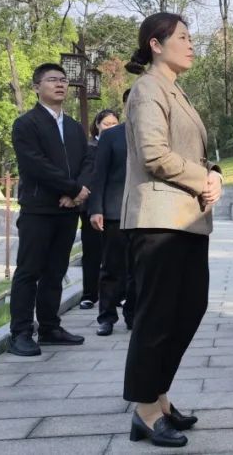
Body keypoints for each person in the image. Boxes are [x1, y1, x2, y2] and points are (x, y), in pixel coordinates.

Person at [121, 13, 223, 448]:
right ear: (155, 44)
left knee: (190, 308)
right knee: (158, 315)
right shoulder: (148, 89)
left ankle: (158, 395)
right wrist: (204, 179)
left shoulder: (175, 91)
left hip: (186, 220)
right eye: (182, 37)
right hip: (158, 219)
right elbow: (154, 154)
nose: (191, 44)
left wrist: (213, 172)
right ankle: (144, 410)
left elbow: (189, 150)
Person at [8, 63, 93, 357]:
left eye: (63, 80)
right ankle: (20, 332)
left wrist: (78, 193)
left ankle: (49, 327)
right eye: (52, 80)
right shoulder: (26, 124)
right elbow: (35, 164)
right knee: (29, 271)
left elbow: (87, 162)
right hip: (38, 209)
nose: (60, 84)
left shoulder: (73, 127)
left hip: (68, 211)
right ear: (36, 87)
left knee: (56, 270)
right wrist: (71, 189)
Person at [88, 95, 135, 336]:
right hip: (115, 211)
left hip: (146, 213)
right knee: (111, 267)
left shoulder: (156, 134)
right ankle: (106, 316)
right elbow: (99, 175)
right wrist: (96, 208)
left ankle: (134, 315)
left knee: (140, 268)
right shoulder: (111, 135)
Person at [78, 109, 118, 311]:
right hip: (91, 206)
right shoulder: (90, 147)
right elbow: (86, 175)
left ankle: (116, 295)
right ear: (97, 125)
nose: (110, 127)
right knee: (92, 253)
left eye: (114, 124)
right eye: (106, 124)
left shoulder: (121, 144)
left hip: (115, 207)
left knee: (115, 255)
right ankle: (89, 294)